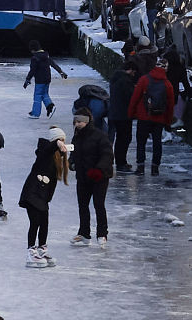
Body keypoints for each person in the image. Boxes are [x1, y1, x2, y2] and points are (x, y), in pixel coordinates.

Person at [18, 127, 68, 265]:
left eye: (63, 140)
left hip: (42, 196)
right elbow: (47, 149)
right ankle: (31, 253)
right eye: (60, 140)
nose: (62, 143)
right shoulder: (44, 152)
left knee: (44, 223)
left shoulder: (58, 156)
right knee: (35, 222)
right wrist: (56, 144)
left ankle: (42, 250)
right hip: (32, 193)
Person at [71, 106, 114, 245]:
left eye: (80, 122)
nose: (77, 124)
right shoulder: (76, 136)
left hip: (99, 178)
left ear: (87, 121)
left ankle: (102, 234)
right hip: (83, 176)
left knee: (98, 205)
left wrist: (99, 170)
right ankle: (84, 233)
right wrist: (71, 163)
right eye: (75, 122)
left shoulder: (99, 136)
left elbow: (107, 155)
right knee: (82, 205)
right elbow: (73, 153)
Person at [129, 54, 176, 175]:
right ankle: (155, 168)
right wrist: (168, 121)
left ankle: (140, 167)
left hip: (144, 116)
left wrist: (131, 113)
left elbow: (135, 98)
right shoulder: (168, 85)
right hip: (159, 118)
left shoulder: (144, 79)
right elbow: (170, 105)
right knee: (157, 143)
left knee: (141, 142)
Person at [108, 54, 138, 172]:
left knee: (120, 138)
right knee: (124, 138)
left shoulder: (115, 78)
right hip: (123, 114)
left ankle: (120, 161)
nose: (134, 75)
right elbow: (130, 97)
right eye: (134, 72)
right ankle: (121, 163)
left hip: (114, 113)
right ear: (130, 70)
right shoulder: (125, 81)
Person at [23, 45, 68, 118]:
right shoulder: (46, 55)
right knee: (44, 93)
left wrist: (28, 79)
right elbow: (53, 64)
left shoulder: (35, 58)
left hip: (40, 80)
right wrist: (61, 72)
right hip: (47, 79)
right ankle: (50, 106)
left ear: (33, 50)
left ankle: (35, 113)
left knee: (37, 95)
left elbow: (32, 70)